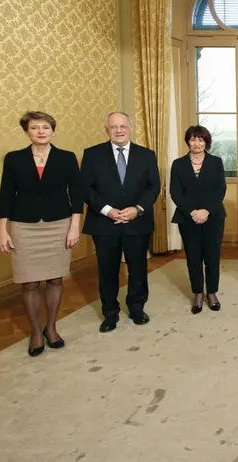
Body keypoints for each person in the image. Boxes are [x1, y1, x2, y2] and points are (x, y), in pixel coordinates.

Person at [0, 111, 82, 356]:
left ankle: (51, 327)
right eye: (35, 127)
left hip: (58, 224)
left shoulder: (67, 158)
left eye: (45, 127)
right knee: (30, 282)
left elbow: (77, 194)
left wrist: (74, 226)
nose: (41, 131)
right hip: (24, 226)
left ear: (53, 131)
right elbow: (6, 194)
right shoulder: (14, 159)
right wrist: (2, 229)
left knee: (55, 279)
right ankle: (35, 332)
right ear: (27, 131)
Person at [80, 112, 160, 333]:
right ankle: (110, 313)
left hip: (137, 222)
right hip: (104, 222)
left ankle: (137, 308)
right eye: (113, 127)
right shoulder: (92, 154)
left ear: (130, 128)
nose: (118, 130)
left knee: (138, 268)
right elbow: (86, 188)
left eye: (123, 126)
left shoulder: (147, 155)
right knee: (107, 270)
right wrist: (107, 211)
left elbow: (153, 187)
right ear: (106, 130)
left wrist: (137, 209)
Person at [170, 125, 226, 314]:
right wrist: (192, 212)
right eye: (193, 139)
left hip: (213, 216)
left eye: (201, 140)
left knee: (212, 256)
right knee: (193, 257)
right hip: (187, 218)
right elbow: (175, 192)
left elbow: (220, 189)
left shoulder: (216, 162)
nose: (197, 143)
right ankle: (198, 294)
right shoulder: (178, 164)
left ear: (206, 142)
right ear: (188, 141)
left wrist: (206, 210)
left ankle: (212, 293)